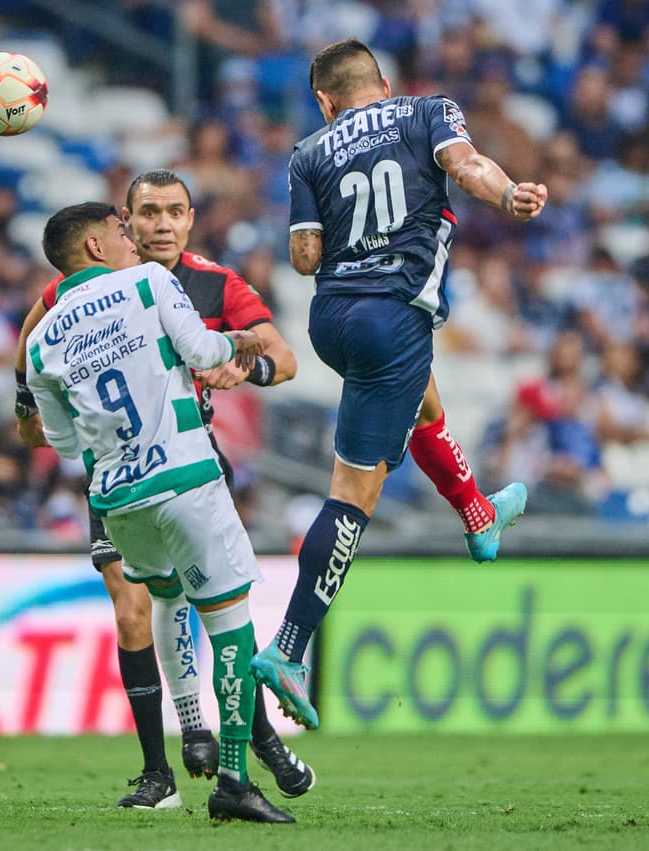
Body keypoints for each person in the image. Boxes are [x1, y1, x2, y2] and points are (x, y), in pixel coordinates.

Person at [253, 39, 547, 729]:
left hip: (330, 320)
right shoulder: (426, 111)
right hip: (395, 312)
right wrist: (508, 192)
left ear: (325, 100)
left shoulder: (308, 151)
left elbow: (303, 257)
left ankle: (477, 514)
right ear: (382, 84)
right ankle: (291, 647)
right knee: (353, 493)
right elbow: (468, 167)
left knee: (425, 400)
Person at [14, 169, 309, 806]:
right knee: (147, 609)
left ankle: (252, 738)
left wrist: (248, 365)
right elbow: (29, 334)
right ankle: (170, 764)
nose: (160, 225)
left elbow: (284, 360)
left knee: (197, 603)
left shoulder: (215, 281)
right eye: (146, 214)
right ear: (124, 223)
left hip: (166, 461)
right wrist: (229, 348)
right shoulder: (128, 281)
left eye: (174, 211)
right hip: (154, 469)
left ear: (191, 218)